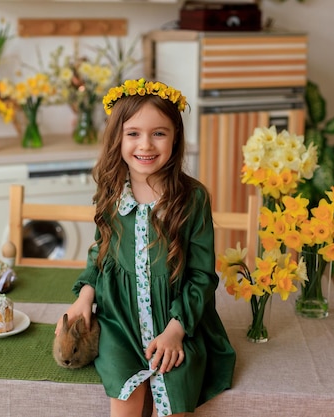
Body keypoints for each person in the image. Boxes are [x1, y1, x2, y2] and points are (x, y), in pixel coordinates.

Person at [56, 78, 235, 417]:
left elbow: (201, 276)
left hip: (176, 321)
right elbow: (101, 253)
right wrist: (84, 297)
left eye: (159, 133)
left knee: (175, 403)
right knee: (126, 400)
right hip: (119, 322)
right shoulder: (110, 193)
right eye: (133, 133)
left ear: (175, 137)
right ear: (118, 138)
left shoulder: (192, 199)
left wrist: (175, 331)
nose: (146, 144)